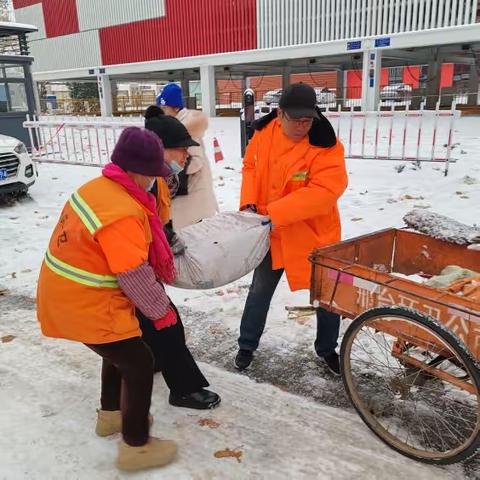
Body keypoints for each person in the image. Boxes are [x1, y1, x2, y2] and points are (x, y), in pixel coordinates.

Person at [36, 127, 178, 471]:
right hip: (85, 303)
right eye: (153, 175)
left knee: (120, 351)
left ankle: (111, 416)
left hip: (69, 295)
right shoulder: (123, 213)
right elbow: (133, 274)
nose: (155, 182)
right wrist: (161, 311)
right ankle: (136, 446)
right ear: (137, 171)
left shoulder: (97, 189)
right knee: (140, 363)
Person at [235, 83, 348, 375]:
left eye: (308, 119)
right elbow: (250, 166)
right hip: (271, 232)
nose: (302, 125)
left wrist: (275, 212)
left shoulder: (326, 144)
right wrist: (248, 202)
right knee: (260, 290)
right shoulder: (263, 133)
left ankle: (327, 350)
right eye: (296, 119)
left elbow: (325, 191)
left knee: (326, 296)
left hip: (313, 235)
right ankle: (246, 345)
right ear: (279, 113)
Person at [144, 106, 221, 410]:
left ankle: (151, 361)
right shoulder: (136, 183)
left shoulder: (156, 180)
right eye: (179, 152)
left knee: (150, 324)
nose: (185, 159)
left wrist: (168, 237)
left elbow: (158, 220)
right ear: (159, 150)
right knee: (167, 323)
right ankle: (184, 389)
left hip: (135, 265)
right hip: (122, 270)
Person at [157, 83, 218, 229]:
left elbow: (197, 161)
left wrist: (171, 166)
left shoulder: (185, 128)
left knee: (190, 242)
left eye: (165, 108)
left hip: (191, 197)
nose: (162, 112)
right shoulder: (179, 125)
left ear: (175, 108)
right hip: (191, 197)